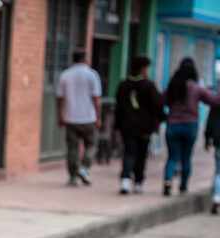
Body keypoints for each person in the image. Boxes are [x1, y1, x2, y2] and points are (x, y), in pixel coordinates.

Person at [163, 57, 220, 196]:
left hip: (173, 125)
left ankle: (168, 179)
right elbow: (214, 100)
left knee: (172, 157)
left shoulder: (173, 86)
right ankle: (183, 186)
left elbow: (160, 100)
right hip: (190, 126)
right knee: (186, 157)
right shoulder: (195, 88)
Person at [114, 54, 164, 195]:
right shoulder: (149, 86)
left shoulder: (123, 85)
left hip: (127, 127)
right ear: (143, 68)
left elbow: (118, 109)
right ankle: (138, 183)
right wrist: (159, 121)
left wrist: (117, 127)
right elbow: (158, 105)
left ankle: (125, 180)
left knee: (129, 154)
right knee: (141, 155)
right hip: (144, 127)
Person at [57, 48, 102, 187]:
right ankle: (84, 167)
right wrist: (98, 117)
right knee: (92, 144)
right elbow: (96, 99)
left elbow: (59, 98)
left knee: (72, 149)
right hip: (88, 118)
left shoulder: (65, 75)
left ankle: (73, 177)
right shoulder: (92, 75)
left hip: (70, 117)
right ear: (84, 58)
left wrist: (60, 115)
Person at [204, 102, 220, 213]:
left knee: (218, 173)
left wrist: (207, 139)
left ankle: (217, 195)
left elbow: (209, 124)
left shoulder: (215, 106)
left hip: (218, 144)